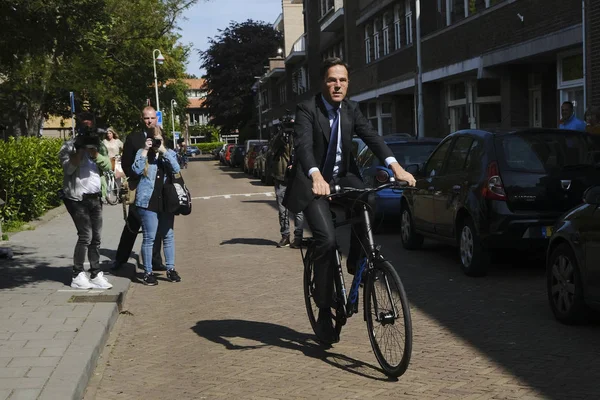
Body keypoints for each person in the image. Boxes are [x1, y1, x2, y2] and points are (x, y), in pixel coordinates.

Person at [283, 57, 416, 344]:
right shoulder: (308, 110)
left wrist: (396, 167)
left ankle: (357, 261)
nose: (338, 85)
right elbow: (304, 147)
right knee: (327, 240)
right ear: (323, 82)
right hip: (312, 182)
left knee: (370, 200)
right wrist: (316, 175)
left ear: (348, 83)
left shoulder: (352, 110)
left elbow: (373, 138)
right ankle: (322, 306)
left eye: (342, 80)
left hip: (342, 177)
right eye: (332, 80)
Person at [58, 112, 113, 289]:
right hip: (76, 198)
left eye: (90, 126)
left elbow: (108, 165)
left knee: (96, 237)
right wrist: (80, 150)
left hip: (95, 196)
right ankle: (77, 274)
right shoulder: (69, 146)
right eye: (84, 126)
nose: (87, 129)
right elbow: (68, 169)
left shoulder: (99, 146)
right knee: (85, 236)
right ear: (78, 127)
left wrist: (95, 153)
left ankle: (96, 273)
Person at [113, 107, 164, 271]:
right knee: (132, 225)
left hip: (157, 189)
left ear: (156, 119)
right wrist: (137, 178)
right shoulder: (134, 138)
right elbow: (127, 164)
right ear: (142, 120)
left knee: (156, 227)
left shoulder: (163, 136)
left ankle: (156, 260)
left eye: (152, 118)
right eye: (146, 118)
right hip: (140, 188)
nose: (149, 121)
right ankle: (121, 259)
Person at [131, 127, 181, 285]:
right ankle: (148, 272)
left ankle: (171, 269)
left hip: (166, 201)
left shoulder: (169, 153)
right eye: (154, 140)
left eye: (159, 140)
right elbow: (136, 170)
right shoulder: (143, 153)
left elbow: (177, 169)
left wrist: (163, 151)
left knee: (168, 236)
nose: (156, 143)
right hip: (147, 201)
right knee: (149, 238)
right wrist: (146, 149)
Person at [269, 117, 304, 248]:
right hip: (281, 176)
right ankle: (285, 236)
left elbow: (306, 153)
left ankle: (298, 237)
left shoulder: (301, 135)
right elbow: (272, 148)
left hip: (297, 177)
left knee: (298, 209)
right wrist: (281, 133)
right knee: (282, 209)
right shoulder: (279, 137)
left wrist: (296, 166)